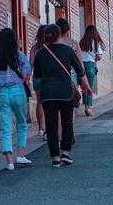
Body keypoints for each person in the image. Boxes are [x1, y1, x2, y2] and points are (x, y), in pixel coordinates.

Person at [33, 24, 93, 167]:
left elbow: (37, 75)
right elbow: (80, 71)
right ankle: (65, 153)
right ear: (59, 35)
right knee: (67, 123)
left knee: (51, 125)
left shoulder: (40, 53)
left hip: (47, 93)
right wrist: (88, 86)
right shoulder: (67, 50)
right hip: (65, 92)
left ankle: (55, 157)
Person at [0, 28, 33, 170]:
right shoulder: (19, 56)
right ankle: (21, 155)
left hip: (3, 93)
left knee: (5, 128)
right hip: (18, 91)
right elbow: (25, 74)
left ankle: (9, 162)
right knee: (22, 124)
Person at [79, 25, 104, 116]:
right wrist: (95, 58)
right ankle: (89, 108)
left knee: (84, 87)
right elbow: (99, 56)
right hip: (90, 64)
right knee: (89, 87)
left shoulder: (81, 42)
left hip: (81, 66)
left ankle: (85, 105)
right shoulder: (95, 42)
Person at [29, 24, 48, 141]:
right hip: (48, 77)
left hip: (37, 77)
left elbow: (30, 63)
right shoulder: (50, 47)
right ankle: (49, 128)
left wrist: (27, 78)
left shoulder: (35, 48)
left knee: (39, 102)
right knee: (50, 103)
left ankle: (41, 128)